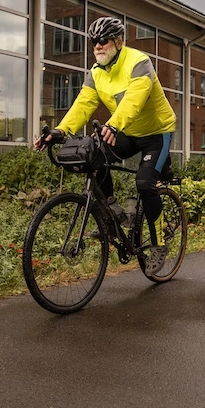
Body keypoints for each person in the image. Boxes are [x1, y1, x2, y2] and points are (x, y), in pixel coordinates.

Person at [35, 16, 177, 276]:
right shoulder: (96, 73)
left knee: (145, 183)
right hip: (126, 131)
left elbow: (134, 99)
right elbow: (83, 104)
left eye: (103, 41)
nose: (98, 46)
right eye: (93, 43)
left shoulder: (139, 62)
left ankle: (157, 246)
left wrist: (113, 125)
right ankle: (113, 215)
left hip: (157, 132)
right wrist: (60, 130)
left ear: (118, 42)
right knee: (93, 156)